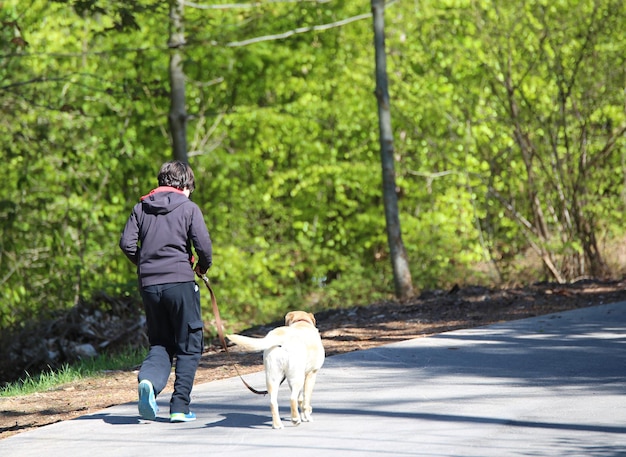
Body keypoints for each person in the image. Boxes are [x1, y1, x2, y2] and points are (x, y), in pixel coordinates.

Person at [119, 160, 212, 423]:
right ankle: (180, 406)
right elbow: (203, 246)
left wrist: (146, 264)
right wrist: (202, 267)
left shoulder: (141, 207)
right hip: (181, 282)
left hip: (150, 285)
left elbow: (126, 243)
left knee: (160, 342)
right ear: (184, 185)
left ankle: (148, 381)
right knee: (189, 343)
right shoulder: (189, 208)